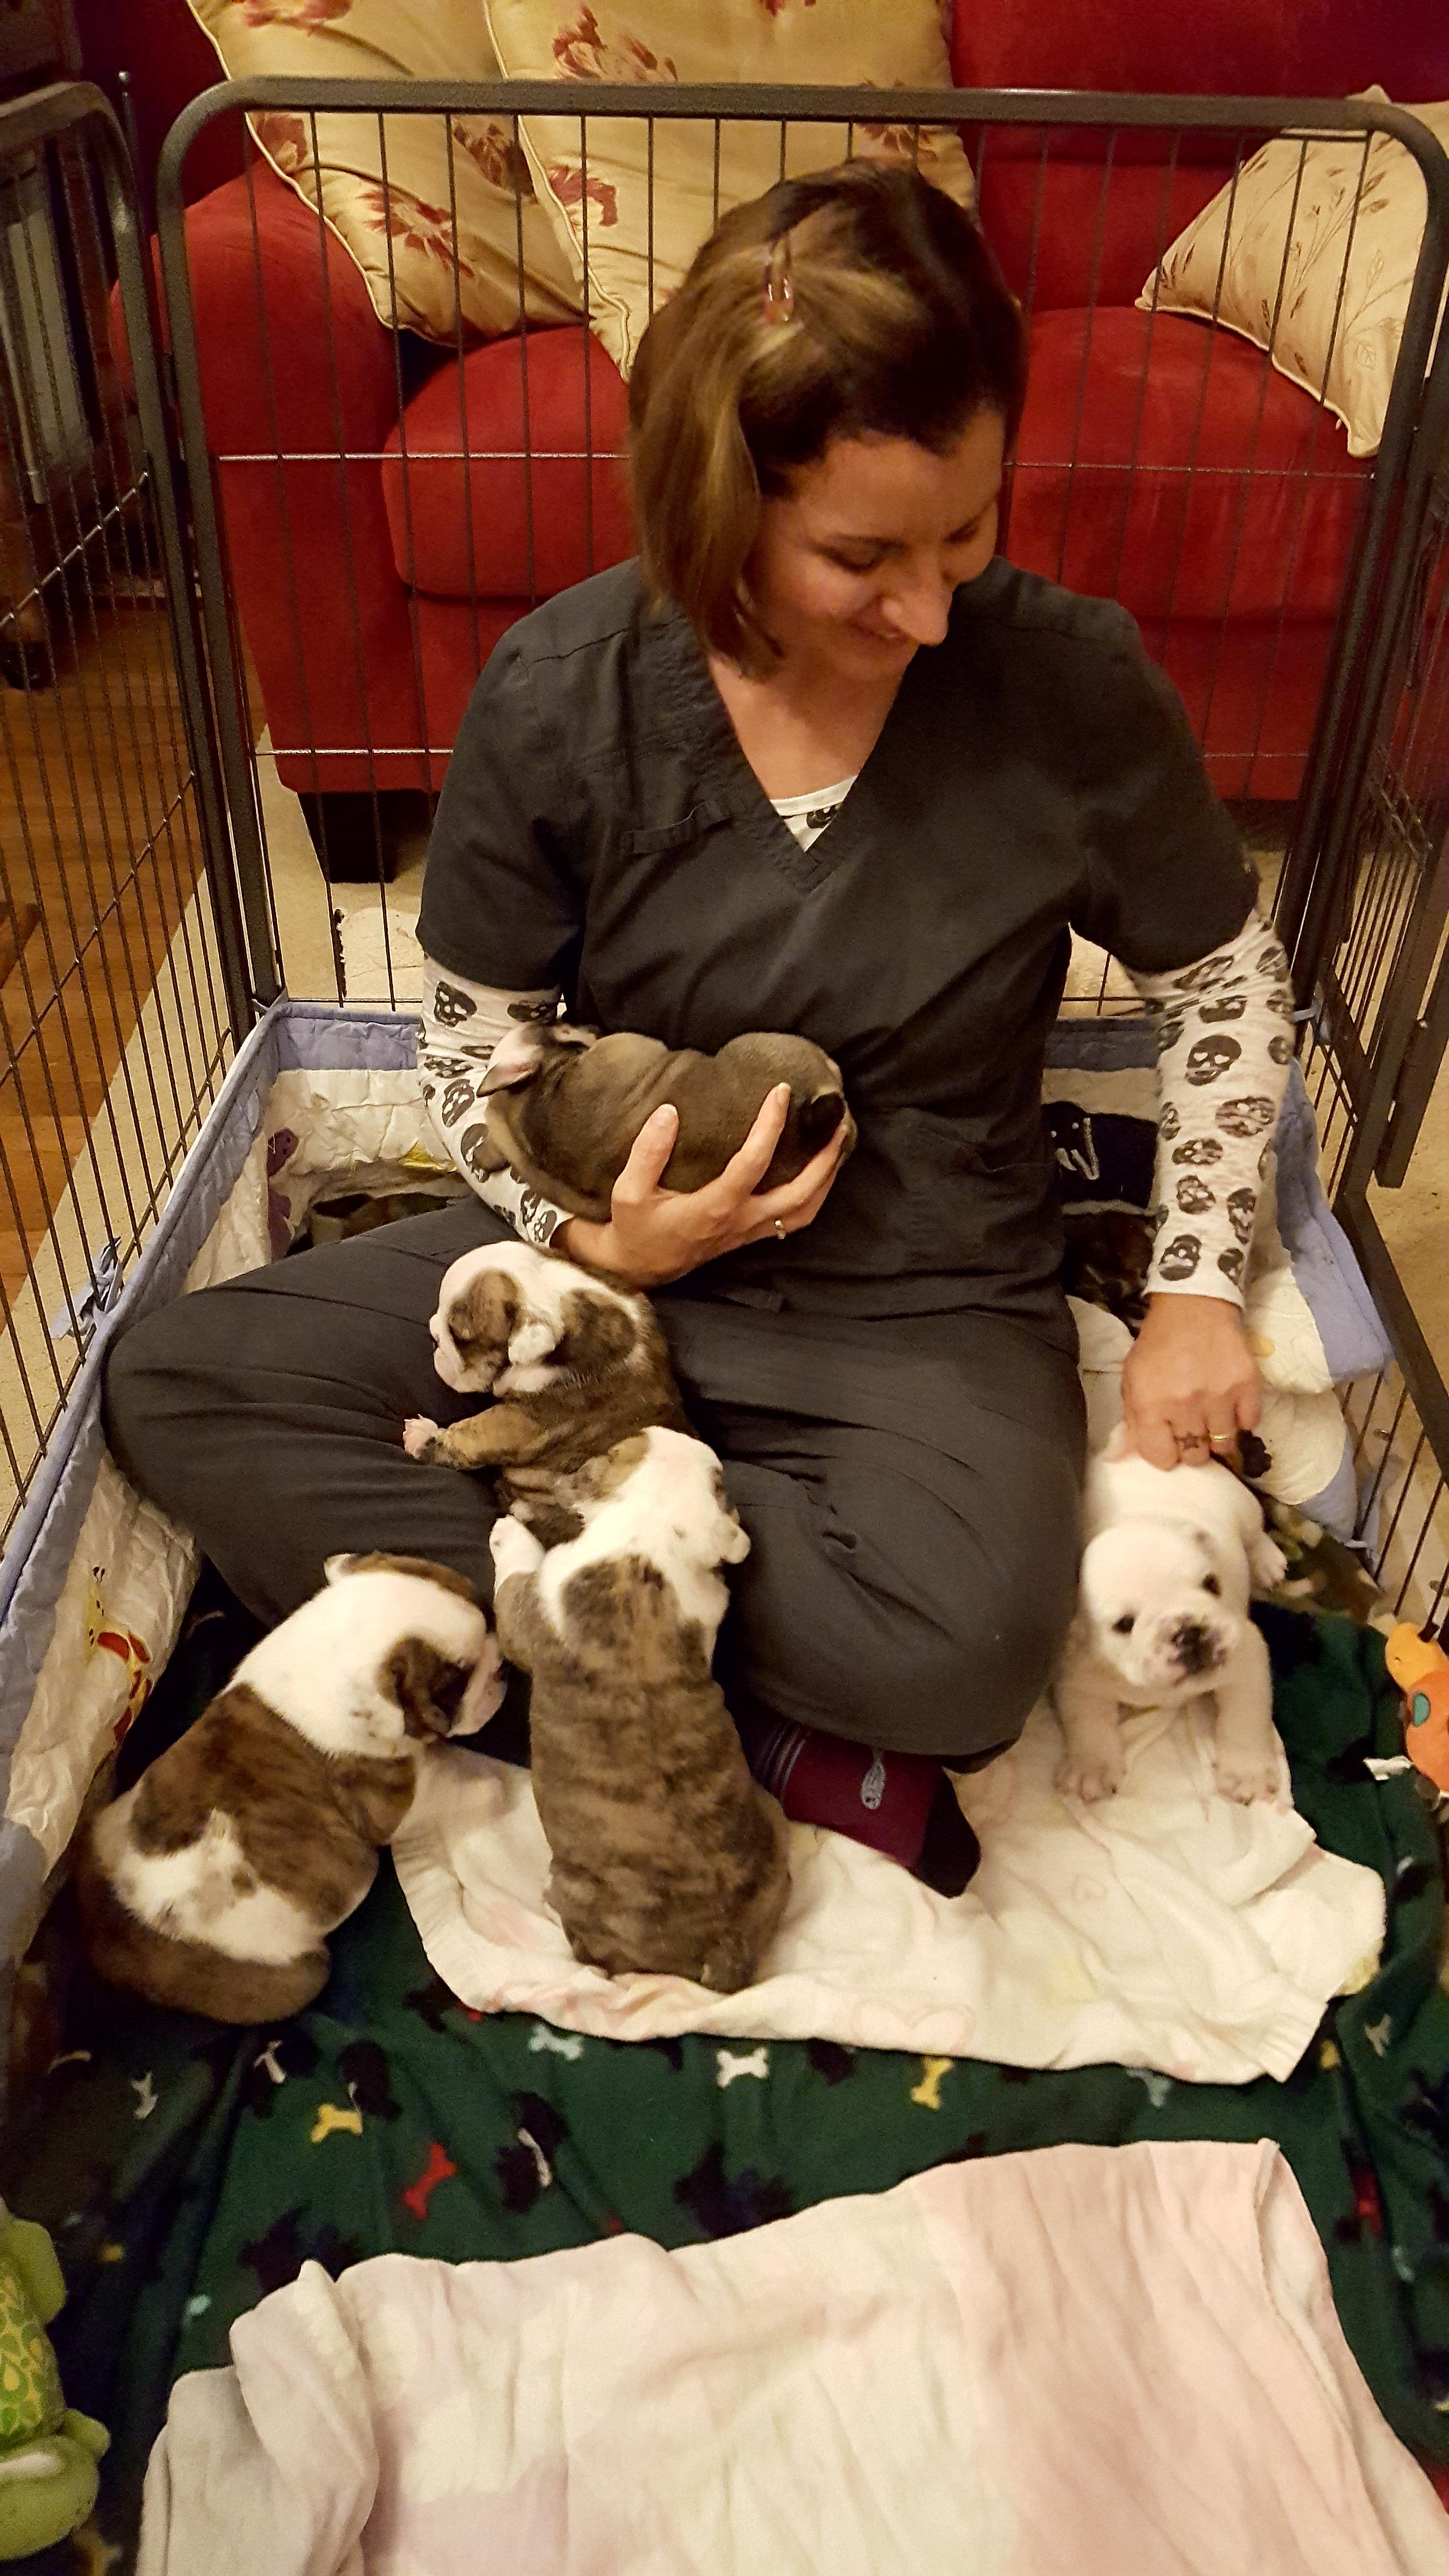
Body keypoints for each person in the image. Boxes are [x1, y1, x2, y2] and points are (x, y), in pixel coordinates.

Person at [104, 164, 1291, 1896]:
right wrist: (585, 1233)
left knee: (965, 1658)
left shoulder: (1068, 685)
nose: (928, 608)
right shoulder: (561, 691)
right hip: (606, 1287)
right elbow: (477, 1048)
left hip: (920, 1291)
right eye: (860, 558)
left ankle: (585, 1631)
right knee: (184, 1378)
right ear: (712, 509)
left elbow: (1222, 987)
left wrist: (1191, 1288)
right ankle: (737, 1714)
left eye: (965, 532)